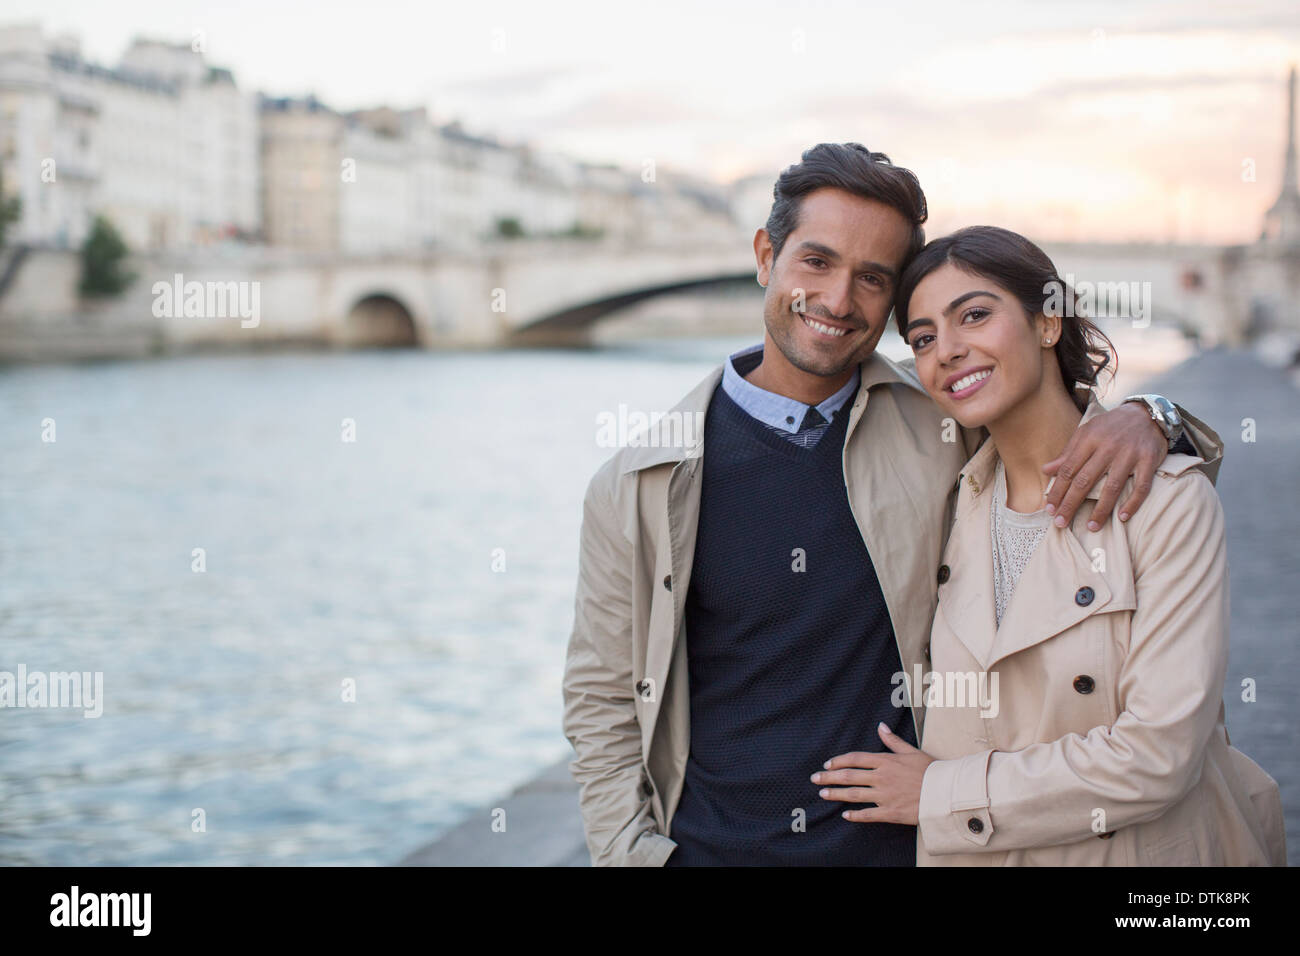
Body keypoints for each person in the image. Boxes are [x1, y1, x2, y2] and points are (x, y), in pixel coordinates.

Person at [562, 143, 1223, 866]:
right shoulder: (639, 482)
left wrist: (1156, 416)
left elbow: (1042, 414)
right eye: (816, 262)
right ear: (765, 256)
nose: (840, 300)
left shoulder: (941, 425)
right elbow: (601, 697)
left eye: (872, 278)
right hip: (712, 851)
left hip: (914, 847)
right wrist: (630, 855)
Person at [815, 225, 1285, 865]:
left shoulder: (1166, 502)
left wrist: (939, 792)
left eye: (974, 315)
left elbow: (1158, 756)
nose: (946, 351)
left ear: (1048, 323)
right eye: (923, 339)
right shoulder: (942, 499)